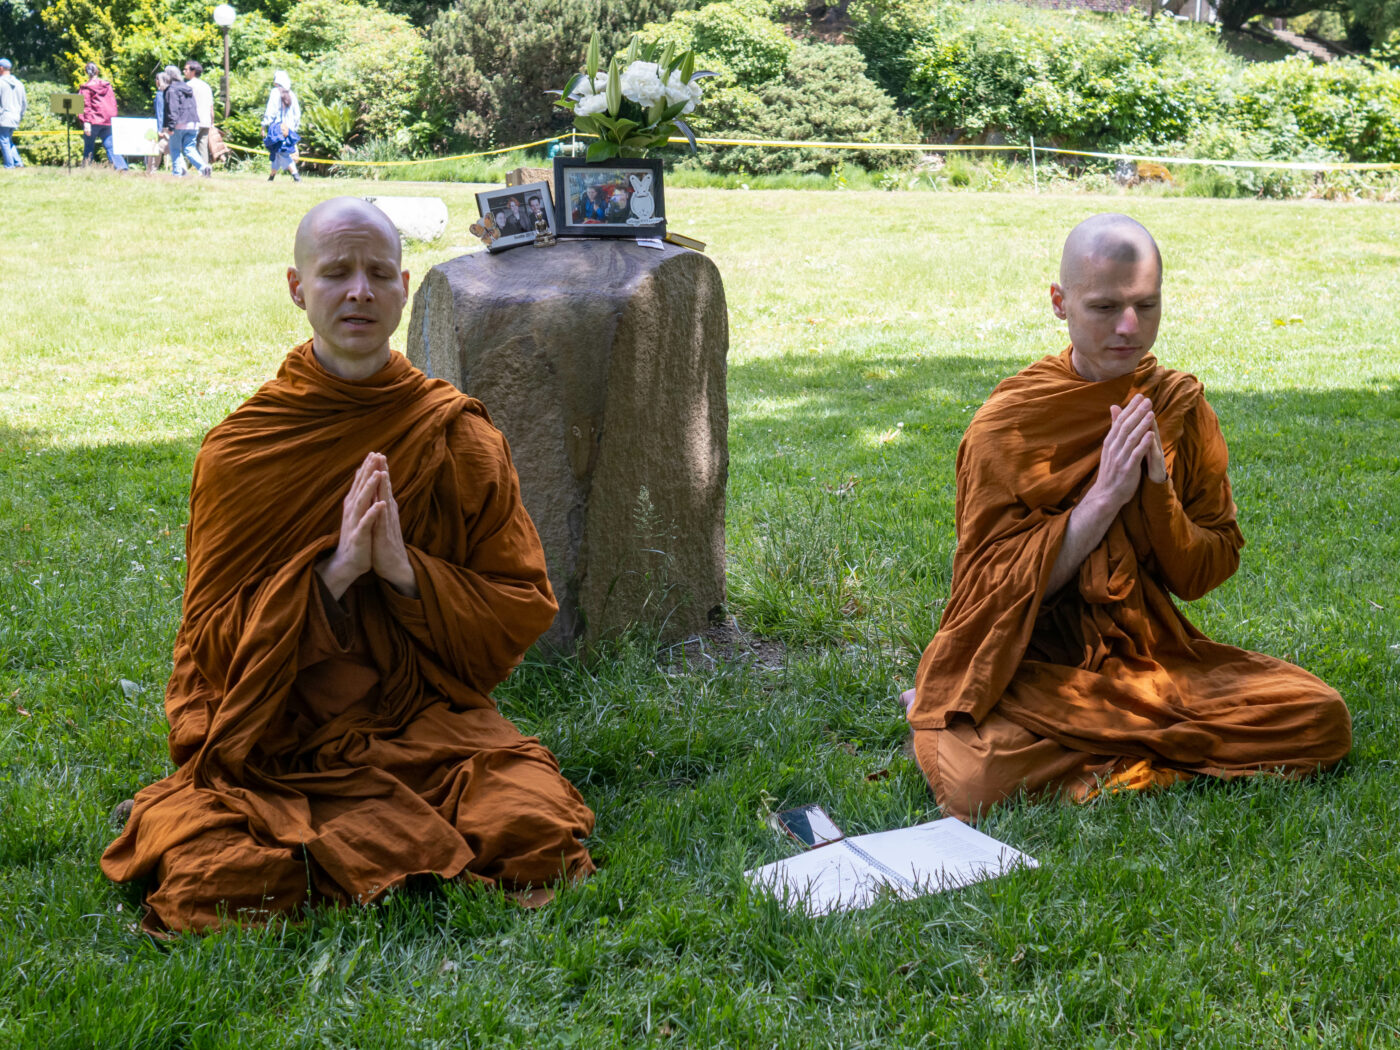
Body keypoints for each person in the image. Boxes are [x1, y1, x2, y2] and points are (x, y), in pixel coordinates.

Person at [101, 197, 596, 933]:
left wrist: (404, 572)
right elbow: (208, 643)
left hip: (428, 721)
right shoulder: (242, 451)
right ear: (298, 289)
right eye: (335, 273)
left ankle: (349, 835)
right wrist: (331, 577)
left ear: (402, 287)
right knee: (220, 878)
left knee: (533, 827)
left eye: (375, 274)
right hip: (278, 728)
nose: (358, 291)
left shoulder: (456, 434)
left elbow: (518, 604)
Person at [905, 213, 1351, 822]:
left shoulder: (1176, 407)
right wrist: (1102, 500)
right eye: (1105, 306)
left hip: (1152, 660)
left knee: (1321, 717)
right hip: (1034, 662)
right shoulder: (1006, 427)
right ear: (1059, 303)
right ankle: (1142, 747)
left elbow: (1205, 569)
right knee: (978, 781)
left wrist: (1157, 494)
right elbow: (987, 591)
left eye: (1146, 305)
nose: (1128, 327)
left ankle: (1111, 750)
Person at [79, 62, 129, 171]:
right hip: (107, 121)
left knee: (89, 146)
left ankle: (86, 168)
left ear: (87, 72)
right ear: (97, 71)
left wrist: (86, 122)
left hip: (93, 121)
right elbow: (112, 102)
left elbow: (86, 106)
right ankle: (122, 168)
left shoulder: (86, 88)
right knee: (110, 146)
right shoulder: (107, 85)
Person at [162, 64, 210, 177]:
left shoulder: (172, 89)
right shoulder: (187, 88)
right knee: (190, 148)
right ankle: (204, 168)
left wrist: (170, 126)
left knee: (174, 149)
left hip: (179, 124)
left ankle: (177, 173)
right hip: (193, 122)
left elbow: (173, 109)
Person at [261, 71, 301, 183]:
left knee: (282, 152)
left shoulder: (275, 92)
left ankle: (296, 176)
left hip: (277, 128)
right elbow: (297, 113)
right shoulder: (291, 94)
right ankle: (271, 177)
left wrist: (264, 124)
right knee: (276, 152)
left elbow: (271, 111)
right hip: (289, 129)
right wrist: (294, 128)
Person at [184, 59, 214, 169]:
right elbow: (211, 106)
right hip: (206, 121)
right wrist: (212, 122)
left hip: (193, 121)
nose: (184, 71)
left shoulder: (188, 86)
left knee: (188, 145)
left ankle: (183, 169)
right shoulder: (206, 86)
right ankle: (205, 169)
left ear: (193, 71)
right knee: (203, 147)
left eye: (186, 69)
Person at [0, 58, 25, 170]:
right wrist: (20, 115)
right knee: (8, 140)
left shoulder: (0, 83)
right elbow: (24, 102)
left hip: (4, 117)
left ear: (1, 68)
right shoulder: (19, 83)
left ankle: (9, 166)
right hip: (15, 117)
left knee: (4, 141)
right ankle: (18, 162)